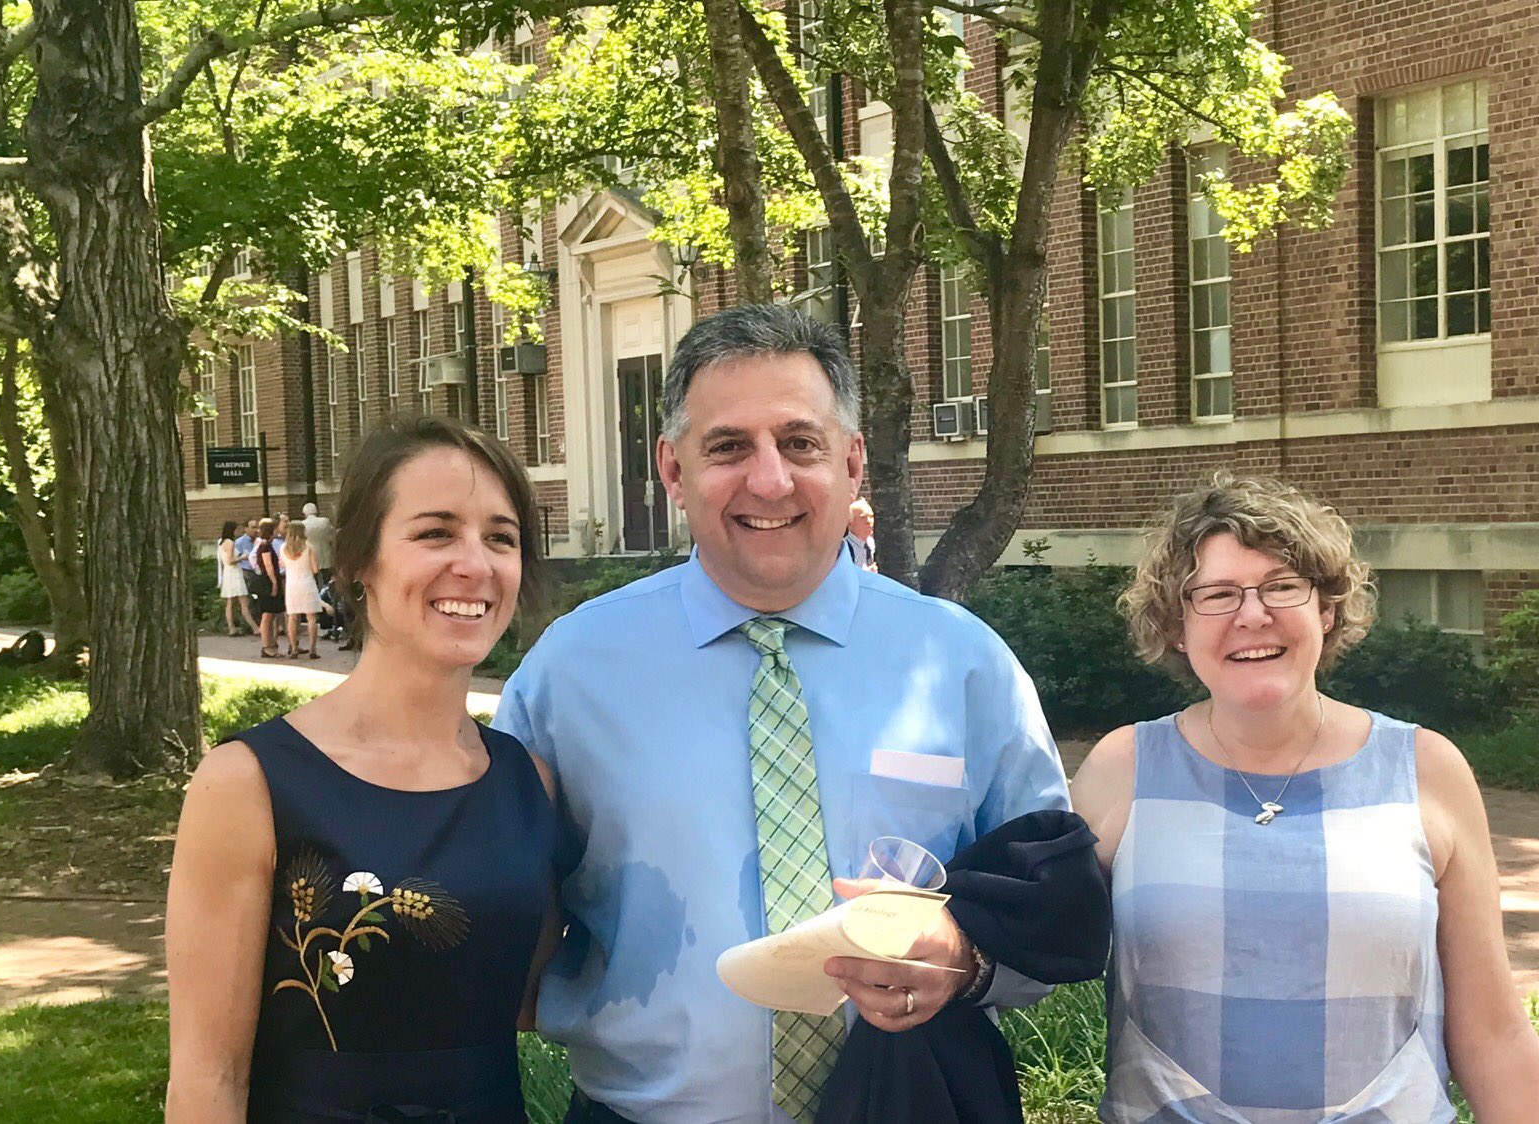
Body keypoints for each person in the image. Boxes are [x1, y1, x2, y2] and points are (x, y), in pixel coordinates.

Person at [494, 305, 1069, 1124]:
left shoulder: (963, 663)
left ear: (853, 462)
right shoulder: (573, 670)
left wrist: (968, 961)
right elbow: (498, 894)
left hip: (916, 1105)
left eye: (800, 443)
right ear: (671, 469)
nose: (769, 480)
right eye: (728, 447)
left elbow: (1051, 902)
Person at [1071, 472, 1539, 1123]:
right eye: (1217, 594)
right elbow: (1031, 951)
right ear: (1177, 627)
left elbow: (1494, 1033)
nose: (1253, 614)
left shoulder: (1427, 769)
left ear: (1325, 611)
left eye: (1282, 586)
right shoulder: (1121, 768)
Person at [166, 415, 562, 1122]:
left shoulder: (529, 784)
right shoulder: (249, 784)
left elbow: (532, 1002)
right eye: (435, 532)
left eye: (500, 537)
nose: (474, 562)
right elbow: (207, 1080)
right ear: (357, 562)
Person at [280, 521, 323, 659]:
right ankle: (313, 649)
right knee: (311, 618)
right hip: (307, 583)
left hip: (292, 585)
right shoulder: (308, 547)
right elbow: (315, 569)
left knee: (292, 617)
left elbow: (283, 565)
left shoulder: (283, 548)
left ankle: (293, 648)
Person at [251, 517, 286, 658]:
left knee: (271, 615)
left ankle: (271, 644)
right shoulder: (265, 546)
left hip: (270, 579)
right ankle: (266, 646)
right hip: (268, 581)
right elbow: (268, 566)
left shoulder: (266, 545)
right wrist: (274, 583)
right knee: (267, 615)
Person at [216, 520, 258, 636]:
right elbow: (230, 561)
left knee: (230, 602)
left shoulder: (221, 542)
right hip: (234, 573)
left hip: (227, 574)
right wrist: (242, 558)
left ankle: (231, 628)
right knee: (244, 601)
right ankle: (255, 627)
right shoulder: (230, 542)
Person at [235, 516, 264, 627]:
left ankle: (260, 620)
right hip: (247, 571)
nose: (255, 530)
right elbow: (235, 559)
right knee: (250, 599)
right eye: (252, 527)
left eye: (256, 527)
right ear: (246, 529)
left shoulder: (259, 541)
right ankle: (249, 624)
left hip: (259, 572)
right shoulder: (239, 543)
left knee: (260, 598)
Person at [302, 502, 336, 586]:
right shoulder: (325, 521)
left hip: (311, 558)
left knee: (314, 583)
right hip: (325, 556)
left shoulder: (302, 524)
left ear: (304, 513)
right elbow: (332, 536)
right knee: (327, 582)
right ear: (316, 511)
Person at [844, 497, 876, 572]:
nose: (869, 521)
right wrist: (865, 573)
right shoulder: (844, 548)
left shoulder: (872, 543)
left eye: (871, 516)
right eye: (863, 517)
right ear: (849, 522)